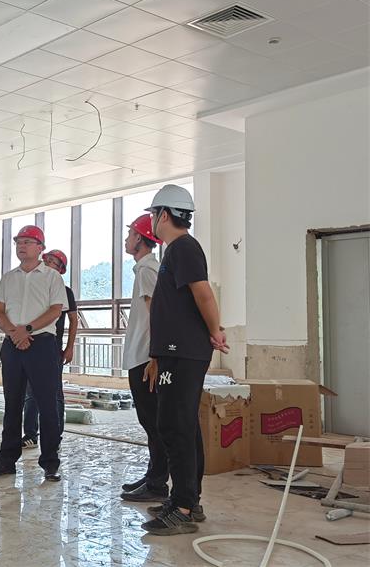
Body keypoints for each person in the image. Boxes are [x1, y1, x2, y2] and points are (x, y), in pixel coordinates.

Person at [139, 184, 229, 536]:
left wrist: (215, 331)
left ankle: (183, 507)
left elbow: (203, 293)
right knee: (182, 425)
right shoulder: (175, 251)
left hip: (184, 352)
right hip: (174, 352)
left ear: (163, 214)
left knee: (175, 425)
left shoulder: (184, 248)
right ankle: (188, 498)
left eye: (152, 214)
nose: (151, 220)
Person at [0, 225, 68, 482]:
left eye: (28, 242)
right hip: (13, 344)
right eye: (19, 242)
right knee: (12, 404)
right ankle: (6, 461)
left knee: (47, 404)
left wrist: (27, 329)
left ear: (40, 248)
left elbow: (56, 310)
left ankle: (50, 463)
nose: (21, 246)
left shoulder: (52, 277)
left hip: (42, 344)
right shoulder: (8, 278)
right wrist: (14, 332)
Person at [118, 215, 169, 503]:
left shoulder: (148, 270)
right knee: (150, 421)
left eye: (129, 234)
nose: (126, 240)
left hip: (145, 357)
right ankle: (153, 475)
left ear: (139, 237)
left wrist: (155, 356)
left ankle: (158, 483)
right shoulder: (146, 269)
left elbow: (157, 314)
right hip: (142, 354)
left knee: (153, 422)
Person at [21, 249, 77, 448]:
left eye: (53, 262)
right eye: (47, 260)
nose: (48, 264)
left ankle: (55, 437)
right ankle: (30, 434)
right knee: (31, 392)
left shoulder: (65, 291)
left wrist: (69, 347)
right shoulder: (33, 287)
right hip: (30, 345)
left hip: (52, 348)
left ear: (60, 269)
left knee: (54, 394)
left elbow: (73, 320)